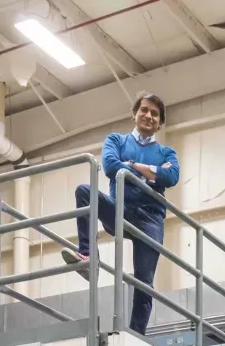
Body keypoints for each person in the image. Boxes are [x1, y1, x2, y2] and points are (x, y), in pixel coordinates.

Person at [66, 92, 179, 333]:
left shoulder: (167, 152)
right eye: (144, 110)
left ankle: (136, 335)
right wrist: (151, 174)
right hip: (120, 209)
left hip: (151, 217)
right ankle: (87, 257)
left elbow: (172, 176)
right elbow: (109, 165)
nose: (149, 116)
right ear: (135, 114)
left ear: (160, 123)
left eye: (155, 114)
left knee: (144, 282)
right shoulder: (116, 140)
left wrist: (131, 167)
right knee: (84, 192)